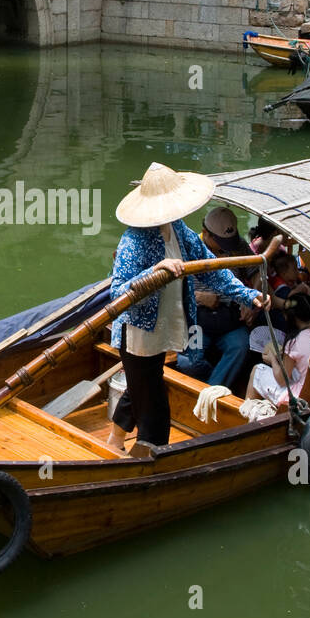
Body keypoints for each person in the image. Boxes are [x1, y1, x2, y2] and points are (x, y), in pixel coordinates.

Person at [106, 163, 269, 455]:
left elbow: (211, 270)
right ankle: (148, 460)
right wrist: (153, 272)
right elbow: (118, 292)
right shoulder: (134, 241)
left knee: (141, 386)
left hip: (164, 327)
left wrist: (247, 295)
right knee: (155, 408)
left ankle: (114, 440)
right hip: (139, 335)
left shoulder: (179, 230)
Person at [174, 206, 273, 390]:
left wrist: (249, 302)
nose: (225, 248)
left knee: (241, 346)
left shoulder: (239, 246)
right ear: (206, 234)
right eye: (220, 242)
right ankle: (214, 386)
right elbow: (172, 290)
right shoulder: (188, 249)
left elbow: (258, 273)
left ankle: (211, 393)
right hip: (199, 322)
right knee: (189, 362)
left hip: (230, 319)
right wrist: (198, 297)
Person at [245, 294, 310, 412]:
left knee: (258, 371)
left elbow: (282, 380)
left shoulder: (295, 341)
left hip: (305, 399)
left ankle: (247, 414)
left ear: (293, 317)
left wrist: (272, 360)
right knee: (295, 370)